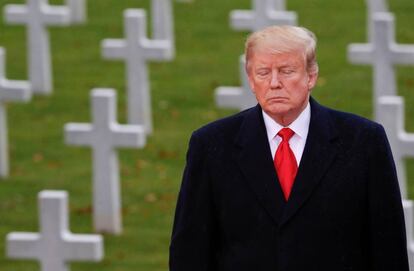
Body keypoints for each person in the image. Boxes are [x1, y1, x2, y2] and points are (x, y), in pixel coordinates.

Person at [169, 25, 409, 270]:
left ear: (311, 76)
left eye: (286, 71)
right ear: (250, 79)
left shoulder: (363, 141)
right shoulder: (211, 145)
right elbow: (189, 251)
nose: (274, 83)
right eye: (263, 72)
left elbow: (388, 247)